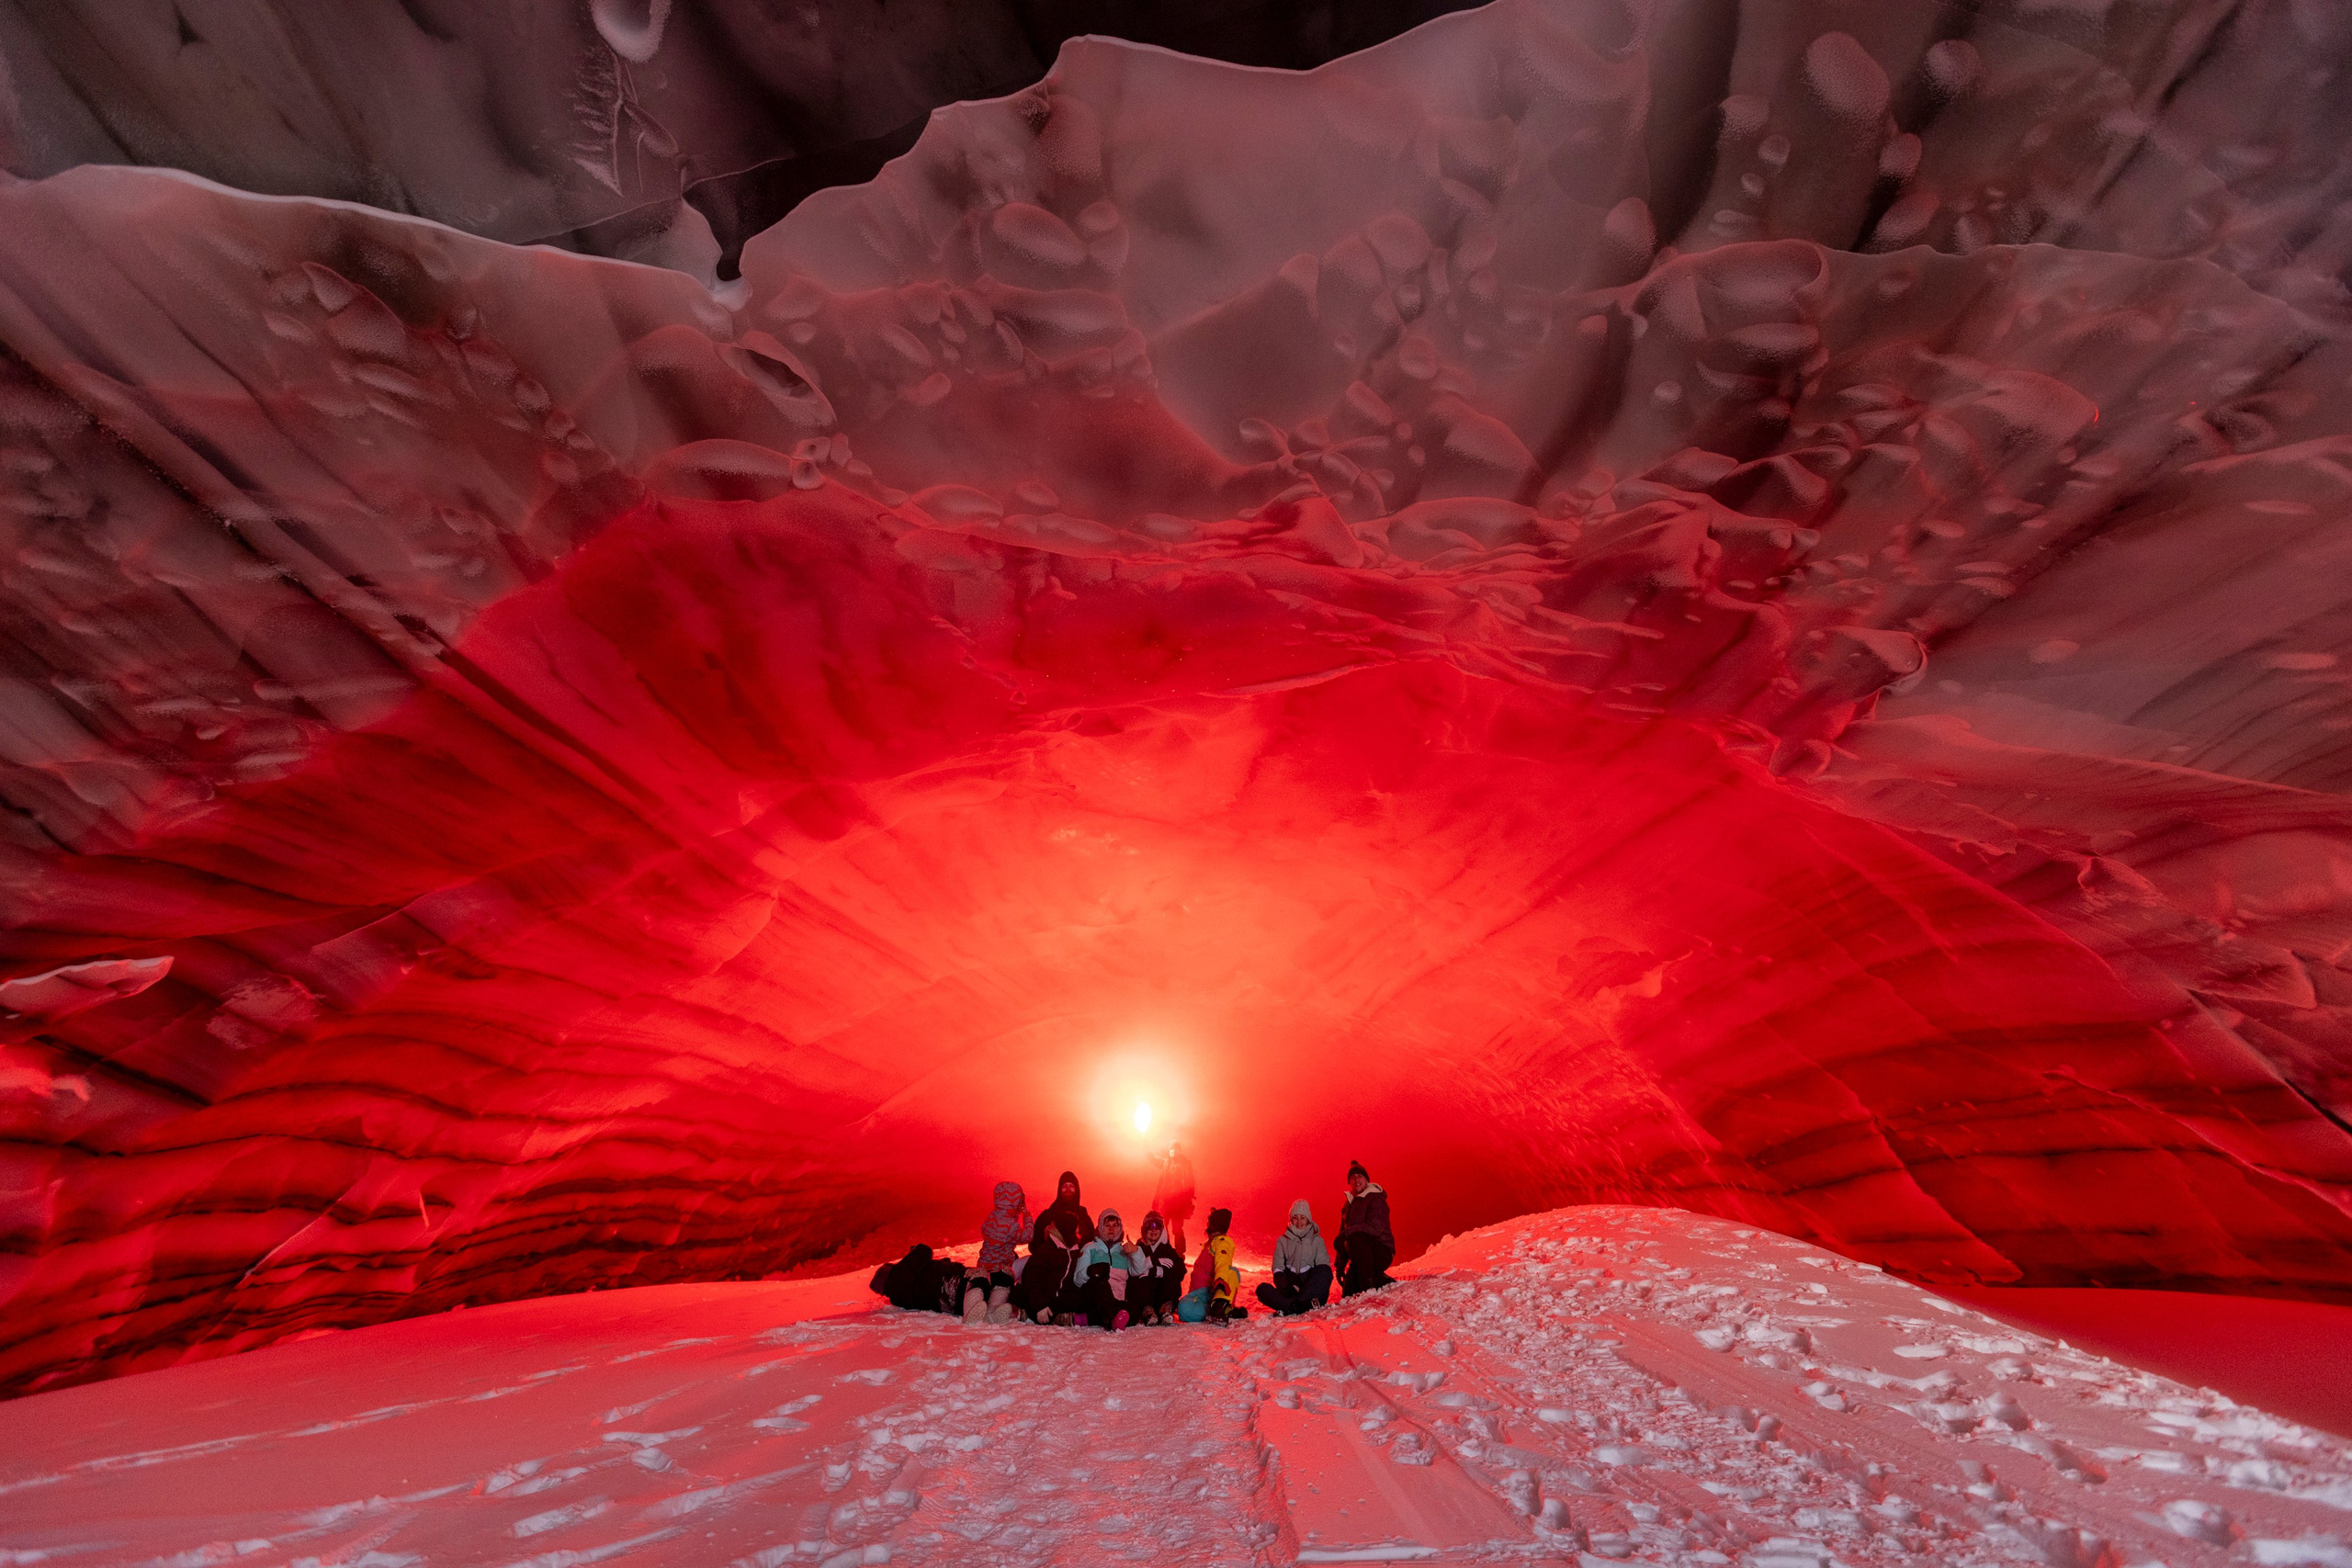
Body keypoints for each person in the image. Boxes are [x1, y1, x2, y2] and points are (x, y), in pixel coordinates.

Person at [1071, 1208, 1148, 1329]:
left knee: (1133, 1311)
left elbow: (1139, 1270)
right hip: (1094, 1299)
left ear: (1120, 1228)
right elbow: (1077, 1280)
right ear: (1101, 1227)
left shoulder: (1124, 1251)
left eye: (1115, 1226)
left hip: (1118, 1300)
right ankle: (1112, 1316)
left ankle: (1090, 1319)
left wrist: (1136, 1251)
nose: (1111, 1229)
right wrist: (1090, 1271)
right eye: (1107, 1225)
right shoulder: (1090, 1248)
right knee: (1100, 1282)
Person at [967, 1179, 1029, 1325]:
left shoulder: (992, 1218)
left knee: (979, 1287)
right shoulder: (1010, 1226)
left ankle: (973, 1309)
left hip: (984, 1266)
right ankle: (992, 1311)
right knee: (1001, 1287)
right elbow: (1027, 1236)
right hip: (1001, 1268)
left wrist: (1015, 1213)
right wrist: (1026, 1215)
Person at [1256, 1199, 1333, 1316]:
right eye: (1295, 1218)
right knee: (1262, 1289)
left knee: (1325, 1270)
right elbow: (1278, 1269)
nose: (1299, 1222)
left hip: (1312, 1291)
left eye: (1302, 1218)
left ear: (1308, 1220)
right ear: (1291, 1219)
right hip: (1290, 1291)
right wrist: (1288, 1288)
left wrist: (1305, 1287)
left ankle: (1294, 1306)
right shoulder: (1282, 1241)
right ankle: (1300, 1307)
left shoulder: (1317, 1241)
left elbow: (1323, 1270)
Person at [1335, 1160, 1395, 1297]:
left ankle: (1369, 1289)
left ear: (1366, 1180)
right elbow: (1343, 1238)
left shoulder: (1375, 1199)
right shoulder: (1348, 1206)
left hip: (1381, 1251)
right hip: (1360, 1258)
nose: (1356, 1180)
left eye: (1360, 1176)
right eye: (1353, 1177)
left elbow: (1375, 1228)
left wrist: (1347, 1233)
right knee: (1348, 1292)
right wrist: (1340, 1267)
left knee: (1357, 1236)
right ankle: (1381, 1280)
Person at [1178, 1206, 1244, 1322]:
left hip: (1210, 1291)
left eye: (1210, 1222)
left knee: (1184, 1309)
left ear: (1215, 1225)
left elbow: (1223, 1262)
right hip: (1198, 1295)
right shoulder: (1210, 1244)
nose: (1207, 1224)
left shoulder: (1222, 1242)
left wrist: (1221, 1279)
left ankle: (1219, 1308)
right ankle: (1220, 1311)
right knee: (1183, 1308)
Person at [1016, 1211, 1081, 1325]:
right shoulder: (1046, 1251)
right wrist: (1040, 1305)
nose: (1077, 1231)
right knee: (1046, 1317)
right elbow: (1031, 1278)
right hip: (1039, 1297)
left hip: (1057, 1298)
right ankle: (1026, 1310)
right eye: (1075, 1228)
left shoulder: (1074, 1251)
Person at [869, 1242, 968, 1314]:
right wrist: (913, 1251)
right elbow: (925, 1250)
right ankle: (976, 1289)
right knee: (979, 1277)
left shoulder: (896, 1299)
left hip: (949, 1304)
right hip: (953, 1280)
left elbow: (921, 1286)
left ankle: (974, 1302)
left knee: (972, 1298)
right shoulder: (900, 1271)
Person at [1132, 1210, 1187, 1325]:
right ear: (1144, 1230)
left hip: (1163, 1294)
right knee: (1137, 1281)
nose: (1153, 1230)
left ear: (1162, 1230)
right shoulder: (1139, 1249)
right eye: (1149, 1227)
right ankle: (1147, 1311)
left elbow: (1181, 1270)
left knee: (1172, 1281)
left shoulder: (1168, 1250)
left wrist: (1160, 1272)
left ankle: (1166, 1309)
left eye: (1157, 1227)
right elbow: (1132, 1271)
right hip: (1146, 1296)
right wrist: (1152, 1269)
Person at [1032, 1170, 1096, 1254]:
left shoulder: (1084, 1217)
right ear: (1059, 1189)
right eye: (1065, 1186)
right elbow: (1034, 1243)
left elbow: (1090, 1243)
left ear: (1077, 1189)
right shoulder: (1047, 1216)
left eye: (1071, 1186)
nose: (1068, 1189)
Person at [1150, 1141, 1196, 1258]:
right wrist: (1144, 1144)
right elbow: (1153, 1159)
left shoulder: (1185, 1164)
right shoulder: (1166, 1162)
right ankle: (1165, 1250)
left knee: (1177, 1229)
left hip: (1178, 1203)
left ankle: (1180, 1253)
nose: (1173, 1151)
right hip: (1165, 1202)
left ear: (1180, 1151)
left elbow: (1190, 1181)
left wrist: (1189, 1199)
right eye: (1171, 1149)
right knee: (1163, 1227)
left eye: (1176, 1149)